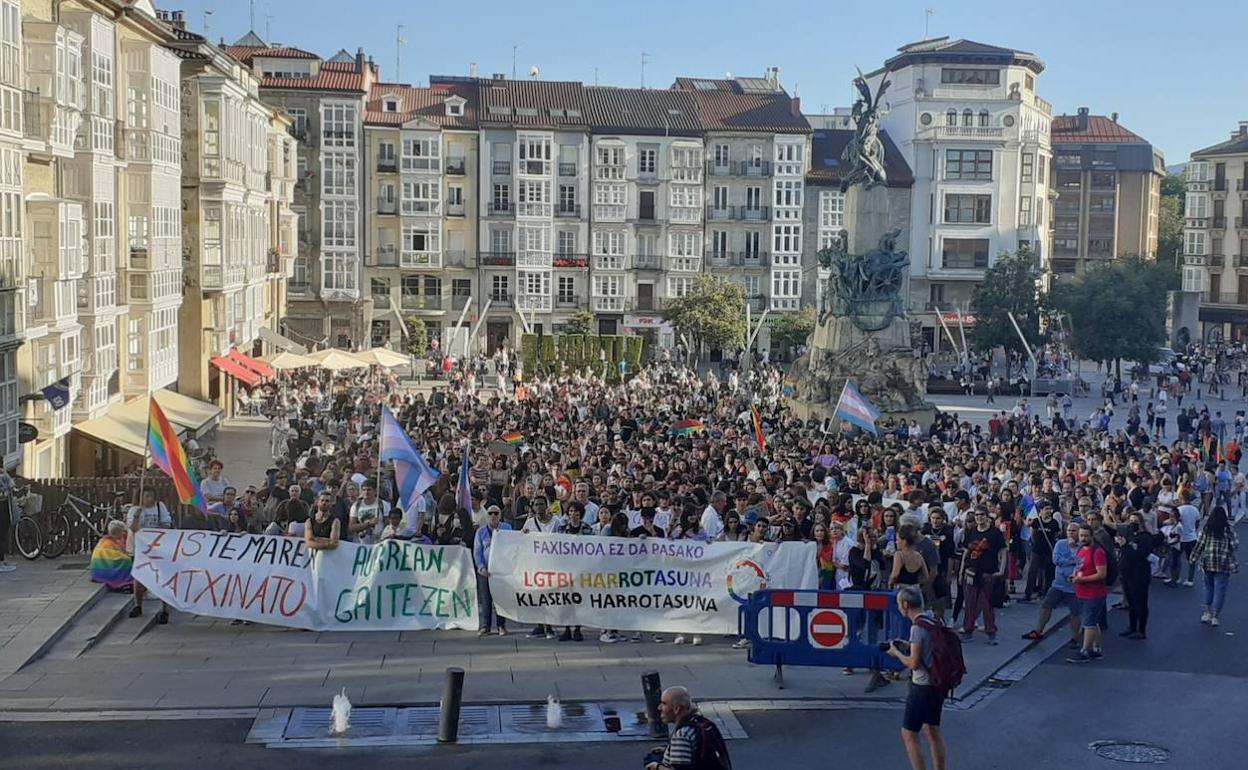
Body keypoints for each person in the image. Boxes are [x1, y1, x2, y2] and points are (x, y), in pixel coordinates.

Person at [888, 585, 948, 770]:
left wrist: (896, 653)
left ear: (905, 604)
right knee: (932, 730)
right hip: (938, 683)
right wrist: (909, 646)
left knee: (909, 733)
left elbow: (913, 663)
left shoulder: (916, 628)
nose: (898, 607)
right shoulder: (933, 619)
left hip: (922, 686)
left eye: (899, 603)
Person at [1022, 521, 1082, 647]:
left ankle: (1075, 637)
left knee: (1075, 612)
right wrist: (1072, 561)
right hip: (1058, 584)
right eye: (1069, 530)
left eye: (1074, 531)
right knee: (1046, 606)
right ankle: (1038, 631)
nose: (1071, 533)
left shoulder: (1082, 546)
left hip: (1074, 587)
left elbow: (1081, 562)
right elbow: (1056, 560)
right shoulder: (1060, 544)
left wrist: (1072, 553)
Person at [644, 686, 731, 770]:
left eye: (664, 703)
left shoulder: (682, 735)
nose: (659, 708)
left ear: (677, 709)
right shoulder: (702, 723)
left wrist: (657, 767)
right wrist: (668, 749)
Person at [959, 506, 1006, 645]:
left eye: (981, 515)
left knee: (987, 604)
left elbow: (1003, 552)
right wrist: (962, 571)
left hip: (988, 573)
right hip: (971, 572)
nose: (979, 517)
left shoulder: (995, 533)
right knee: (970, 603)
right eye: (976, 515)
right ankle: (968, 630)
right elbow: (966, 553)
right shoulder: (971, 532)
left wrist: (1002, 570)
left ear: (987, 516)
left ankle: (991, 633)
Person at [126, 486, 173, 622]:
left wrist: (155, 535)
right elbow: (133, 528)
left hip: (157, 548)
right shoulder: (134, 510)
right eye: (146, 496)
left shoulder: (160, 507)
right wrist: (136, 515)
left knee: (163, 578)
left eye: (152, 496)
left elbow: (166, 524)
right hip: (138, 549)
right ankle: (138, 605)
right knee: (139, 578)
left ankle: (164, 610)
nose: (150, 499)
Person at [1191, 505, 1238, 627]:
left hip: (1208, 561)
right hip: (1223, 563)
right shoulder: (1228, 529)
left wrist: (1194, 557)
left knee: (1208, 587)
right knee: (1220, 590)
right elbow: (1235, 546)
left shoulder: (1207, 528)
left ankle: (1207, 612)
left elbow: (1200, 544)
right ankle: (1215, 616)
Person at [1067, 524, 1108, 663]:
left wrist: (1082, 579)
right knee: (1092, 621)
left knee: (1088, 622)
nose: (1083, 538)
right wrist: (1074, 576)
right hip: (1082, 592)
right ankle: (1096, 649)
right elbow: (1079, 566)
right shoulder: (1080, 550)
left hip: (1094, 593)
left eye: (1086, 536)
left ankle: (1085, 651)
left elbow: (1102, 574)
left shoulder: (1097, 552)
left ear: (1091, 536)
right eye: (1081, 535)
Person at [1117, 510, 1157, 639]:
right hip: (1127, 574)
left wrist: (1126, 546)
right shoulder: (1130, 536)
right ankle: (1132, 626)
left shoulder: (1145, 537)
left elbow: (1140, 555)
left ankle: (1141, 630)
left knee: (1140, 603)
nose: (1133, 523)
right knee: (1131, 603)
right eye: (1131, 521)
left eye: (1135, 521)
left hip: (1139, 575)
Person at [473, 505, 511, 636]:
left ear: (500, 515)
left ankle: (502, 625)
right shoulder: (481, 532)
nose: (493, 516)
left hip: (501, 570)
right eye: (491, 513)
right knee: (485, 599)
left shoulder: (507, 528)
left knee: (500, 599)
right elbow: (477, 552)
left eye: (496, 513)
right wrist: (481, 567)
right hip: (486, 570)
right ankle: (485, 626)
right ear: (487, 515)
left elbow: (514, 544)